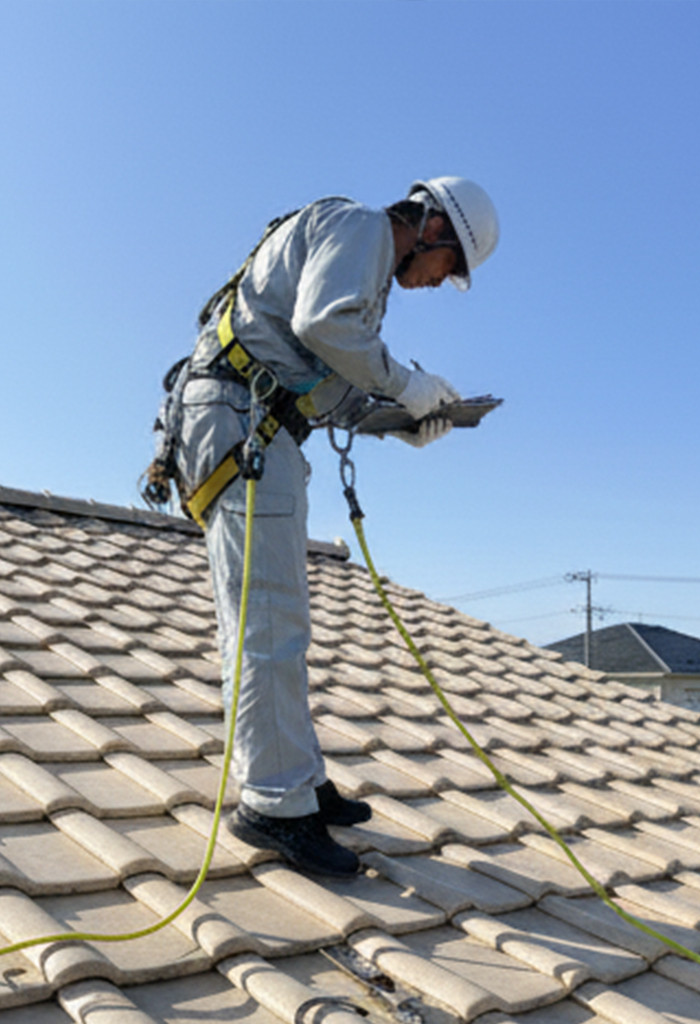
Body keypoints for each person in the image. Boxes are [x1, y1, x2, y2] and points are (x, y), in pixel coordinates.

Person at [151, 177, 499, 875]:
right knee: (269, 620)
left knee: (277, 618)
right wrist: (405, 383)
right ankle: (275, 806)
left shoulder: (358, 260)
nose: (437, 283)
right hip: (243, 425)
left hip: (250, 420)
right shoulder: (365, 228)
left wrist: (401, 424)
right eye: (449, 266)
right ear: (432, 226)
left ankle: (297, 780)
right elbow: (323, 327)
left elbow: (322, 378)